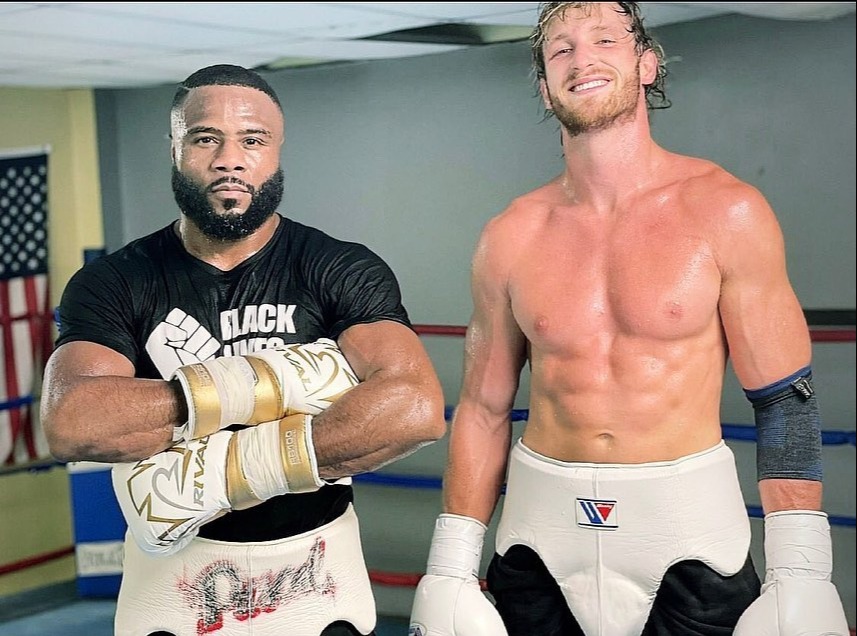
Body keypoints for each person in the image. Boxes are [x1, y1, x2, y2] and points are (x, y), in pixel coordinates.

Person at [408, 3, 850, 636]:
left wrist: (802, 570)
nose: (581, 59)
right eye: (560, 50)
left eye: (604, 41)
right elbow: (482, 407)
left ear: (647, 63)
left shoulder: (726, 211)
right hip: (539, 538)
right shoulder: (510, 235)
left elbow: (785, 401)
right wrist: (449, 566)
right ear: (543, 85)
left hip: (688, 545)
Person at [41, 63, 447, 636]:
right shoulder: (116, 282)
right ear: (177, 150)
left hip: (316, 576)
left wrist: (216, 465)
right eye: (206, 138)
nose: (229, 158)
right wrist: (288, 386)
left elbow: (414, 409)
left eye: (252, 140)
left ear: (277, 152)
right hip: (175, 587)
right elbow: (73, 422)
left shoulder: (338, 267)